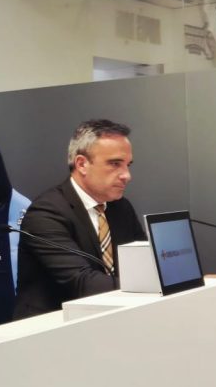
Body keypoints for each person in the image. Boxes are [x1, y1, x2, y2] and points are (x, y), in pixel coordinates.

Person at [12, 119, 146, 318]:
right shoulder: (45, 213)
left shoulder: (120, 207)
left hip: (107, 316)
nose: (126, 175)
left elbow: (143, 265)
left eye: (128, 165)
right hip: (52, 325)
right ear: (82, 164)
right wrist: (150, 285)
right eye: (115, 164)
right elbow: (83, 283)